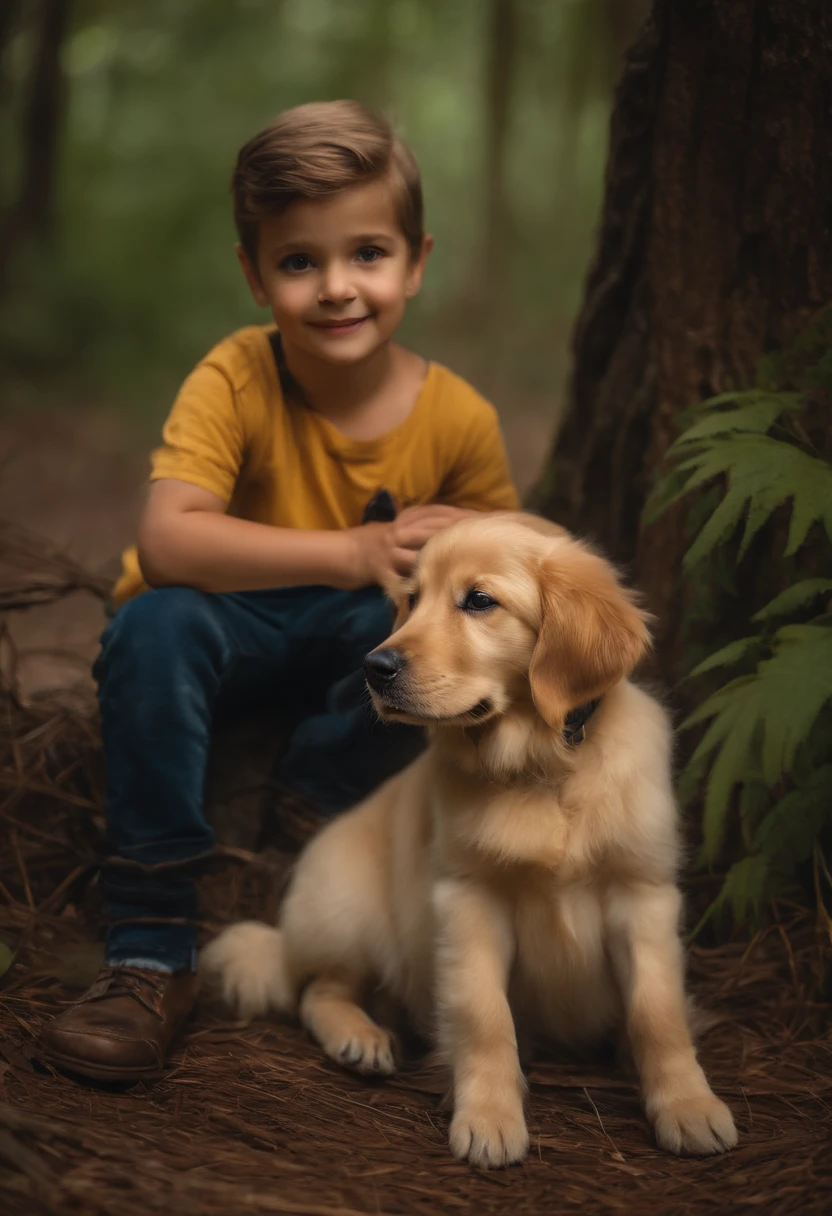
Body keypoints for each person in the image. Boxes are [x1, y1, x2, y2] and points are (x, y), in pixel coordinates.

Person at [39, 99, 519, 1083]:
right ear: (255, 275)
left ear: (416, 261)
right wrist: (354, 549)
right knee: (155, 624)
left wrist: (445, 559)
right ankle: (148, 945)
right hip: (223, 630)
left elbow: (497, 588)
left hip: (358, 658)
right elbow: (170, 540)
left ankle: (315, 806)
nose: (338, 287)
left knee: (438, 636)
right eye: (299, 262)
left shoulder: (459, 419)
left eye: (368, 254)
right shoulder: (235, 377)